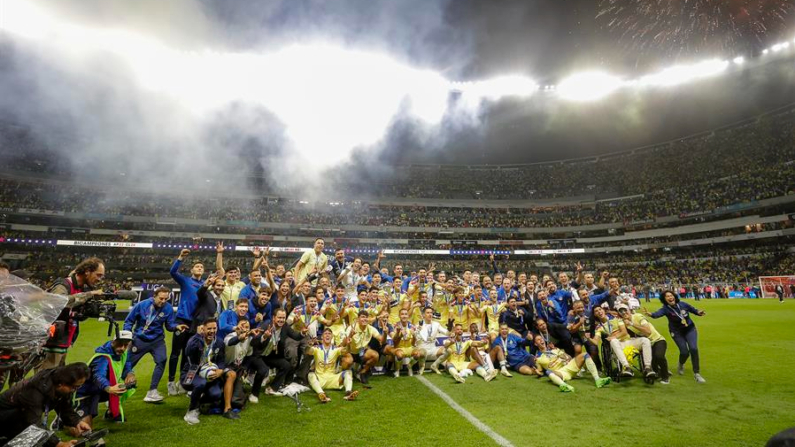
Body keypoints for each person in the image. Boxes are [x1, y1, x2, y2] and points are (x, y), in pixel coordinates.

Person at [0, 363, 92, 447]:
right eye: (75, 387)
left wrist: (77, 422)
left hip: (18, 417)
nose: (75, 390)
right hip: (6, 417)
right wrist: (58, 444)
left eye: (79, 386)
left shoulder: (59, 382)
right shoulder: (35, 391)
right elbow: (33, 423)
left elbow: (65, 407)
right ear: (61, 384)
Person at [42, 257, 106, 371]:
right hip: (50, 342)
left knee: (57, 380)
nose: (100, 279)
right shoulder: (64, 284)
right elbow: (57, 302)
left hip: (62, 341)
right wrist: (89, 294)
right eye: (98, 275)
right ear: (87, 272)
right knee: (45, 380)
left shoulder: (80, 287)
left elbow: (73, 313)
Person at [123, 286, 181, 403]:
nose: (163, 301)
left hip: (157, 341)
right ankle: (116, 388)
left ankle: (152, 392)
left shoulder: (168, 308)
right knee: (127, 364)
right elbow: (129, 321)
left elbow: (169, 326)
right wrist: (127, 336)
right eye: (161, 298)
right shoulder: (141, 305)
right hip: (140, 340)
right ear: (154, 296)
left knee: (162, 360)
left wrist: (176, 327)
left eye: (166, 299)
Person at [74, 330, 137, 428]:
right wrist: (109, 388)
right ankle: (64, 418)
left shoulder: (123, 353)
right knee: (83, 429)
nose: (122, 348)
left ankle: (111, 412)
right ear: (113, 342)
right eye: (120, 344)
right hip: (85, 393)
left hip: (98, 390)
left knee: (123, 386)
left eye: (126, 345)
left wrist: (130, 374)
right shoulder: (102, 357)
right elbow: (98, 376)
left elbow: (127, 364)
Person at [182, 318, 239, 424]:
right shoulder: (194, 339)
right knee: (200, 383)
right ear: (202, 329)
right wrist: (198, 336)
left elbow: (221, 360)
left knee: (216, 394)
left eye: (214, 328)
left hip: (209, 375)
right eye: (209, 328)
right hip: (190, 374)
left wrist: (220, 370)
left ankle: (199, 401)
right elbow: (188, 352)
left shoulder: (219, 342)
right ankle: (191, 411)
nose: (212, 331)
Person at [643, 290, 707, 383]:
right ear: (664, 299)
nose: (670, 297)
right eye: (667, 296)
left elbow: (693, 310)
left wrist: (699, 312)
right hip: (677, 332)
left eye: (671, 295)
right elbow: (657, 314)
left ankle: (697, 373)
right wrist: (651, 314)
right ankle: (681, 364)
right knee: (684, 352)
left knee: (693, 349)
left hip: (690, 329)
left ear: (674, 296)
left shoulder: (683, 304)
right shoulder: (665, 309)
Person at [168, 249, 205, 396]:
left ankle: (183, 382)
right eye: (197, 266)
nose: (199, 268)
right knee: (175, 352)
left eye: (201, 267)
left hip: (195, 324)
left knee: (188, 353)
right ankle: (171, 381)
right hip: (182, 320)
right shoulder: (186, 281)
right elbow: (173, 273)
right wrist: (180, 257)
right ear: (192, 270)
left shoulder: (204, 285)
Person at [587, 306, 655, 379]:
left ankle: (648, 367)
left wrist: (614, 336)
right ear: (595, 315)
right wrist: (588, 338)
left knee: (645, 340)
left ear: (603, 310)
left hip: (628, 341)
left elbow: (624, 332)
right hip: (617, 345)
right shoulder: (599, 327)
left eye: (600, 309)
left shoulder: (616, 319)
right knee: (613, 341)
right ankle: (626, 367)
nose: (599, 312)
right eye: (596, 311)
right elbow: (596, 342)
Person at [252, 308, 307, 395]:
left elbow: (295, 336)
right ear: (274, 318)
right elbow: (254, 342)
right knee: (263, 369)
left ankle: (272, 388)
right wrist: (264, 337)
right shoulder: (266, 325)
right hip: (259, 356)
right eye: (279, 318)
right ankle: (254, 393)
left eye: (283, 318)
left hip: (272, 356)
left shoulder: (285, 326)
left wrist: (302, 333)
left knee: (286, 365)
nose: (281, 320)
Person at [533, 334, 610, 392]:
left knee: (585, 354)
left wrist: (560, 353)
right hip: (560, 372)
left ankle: (598, 380)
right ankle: (564, 385)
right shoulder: (538, 358)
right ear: (536, 344)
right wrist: (537, 372)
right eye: (538, 340)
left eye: (541, 338)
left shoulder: (554, 349)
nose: (541, 340)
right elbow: (540, 372)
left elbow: (569, 357)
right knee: (548, 372)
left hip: (569, 365)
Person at [618, 304, 670, 384]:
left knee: (659, 356)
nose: (624, 313)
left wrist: (632, 324)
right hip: (645, 344)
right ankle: (657, 370)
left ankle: (665, 376)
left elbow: (648, 331)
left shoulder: (638, 316)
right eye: (621, 312)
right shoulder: (624, 323)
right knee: (653, 367)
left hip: (657, 340)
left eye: (625, 310)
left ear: (629, 310)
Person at [306, 328, 359, 403]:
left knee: (348, 372)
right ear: (322, 337)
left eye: (329, 334)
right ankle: (321, 394)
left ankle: (348, 393)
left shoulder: (336, 349)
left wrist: (348, 345)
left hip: (333, 378)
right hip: (320, 378)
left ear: (332, 337)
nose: (327, 335)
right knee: (310, 375)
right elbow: (308, 351)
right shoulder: (316, 348)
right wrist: (309, 345)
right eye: (325, 334)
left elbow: (346, 351)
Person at [345, 310, 385, 386]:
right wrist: (350, 335)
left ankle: (361, 373)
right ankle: (344, 374)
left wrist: (385, 333)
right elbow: (344, 342)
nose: (365, 319)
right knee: (347, 362)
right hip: (350, 352)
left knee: (375, 355)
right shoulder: (351, 328)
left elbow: (382, 340)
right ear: (357, 319)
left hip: (362, 352)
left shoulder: (370, 328)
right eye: (362, 317)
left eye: (366, 317)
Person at [416, 306, 450, 375]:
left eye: (431, 313)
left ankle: (434, 365)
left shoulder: (436, 324)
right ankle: (421, 367)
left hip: (433, 349)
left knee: (448, 351)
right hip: (423, 348)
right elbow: (416, 338)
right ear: (423, 315)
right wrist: (419, 329)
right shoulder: (419, 325)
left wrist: (450, 328)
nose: (430, 314)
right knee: (422, 352)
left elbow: (447, 333)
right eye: (428, 313)